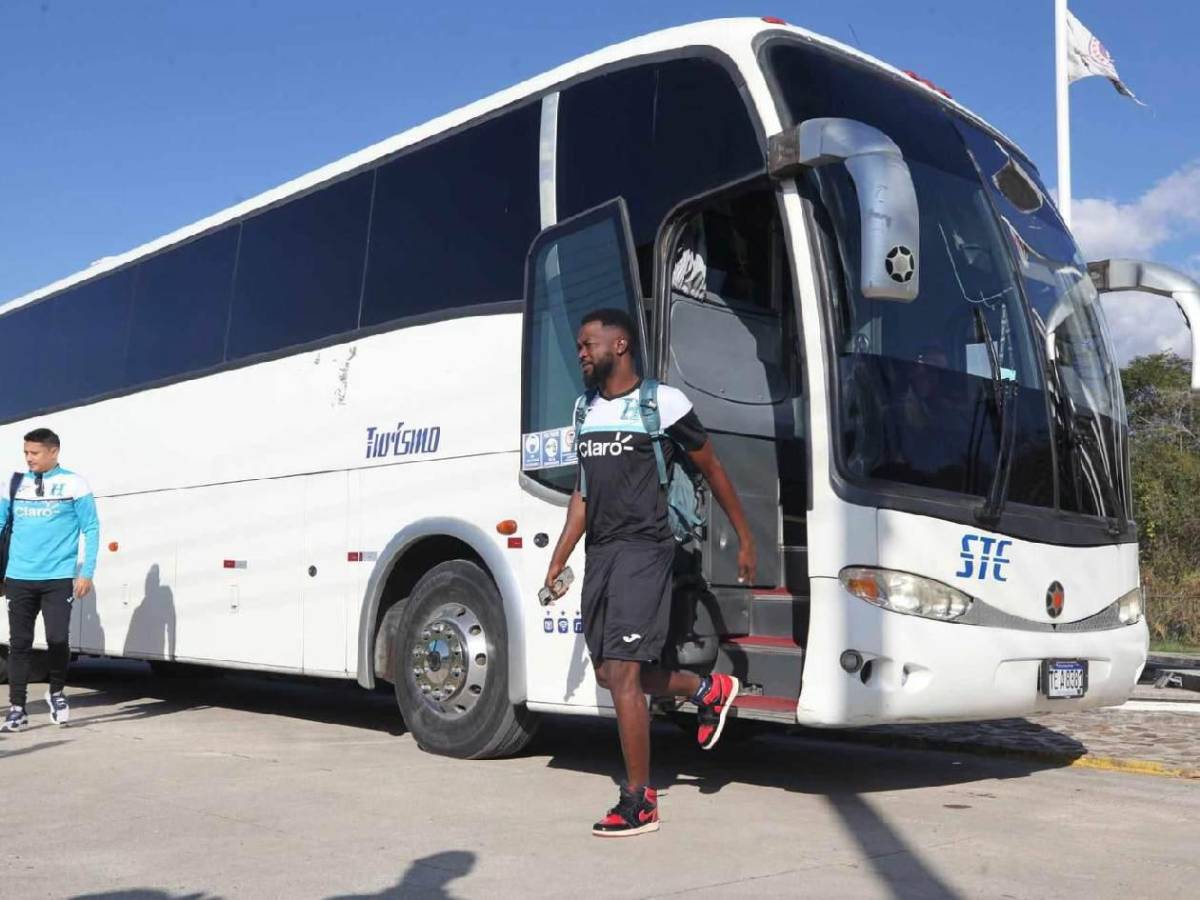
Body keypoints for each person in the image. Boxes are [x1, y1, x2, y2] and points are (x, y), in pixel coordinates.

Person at [544, 308, 756, 838]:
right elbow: (583, 494)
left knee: (623, 671)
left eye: (587, 343)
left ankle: (640, 800)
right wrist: (559, 557)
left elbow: (712, 466)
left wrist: (745, 537)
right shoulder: (584, 410)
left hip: (647, 548)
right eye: (579, 346)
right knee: (610, 674)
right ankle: (706, 690)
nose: (581, 354)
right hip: (602, 552)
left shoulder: (663, 403)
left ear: (620, 345)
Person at [0, 428, 100, 731]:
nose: (29, 458)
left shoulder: (74, 483)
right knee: (19, 644)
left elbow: (91, 528)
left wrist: (87, 573)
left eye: (35, 453)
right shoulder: (15, 483)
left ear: (53, 452)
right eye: (26, 453)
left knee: (58, 639)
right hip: (18, 577)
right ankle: (17, 707)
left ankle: (56, 692)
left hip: (57, 577)